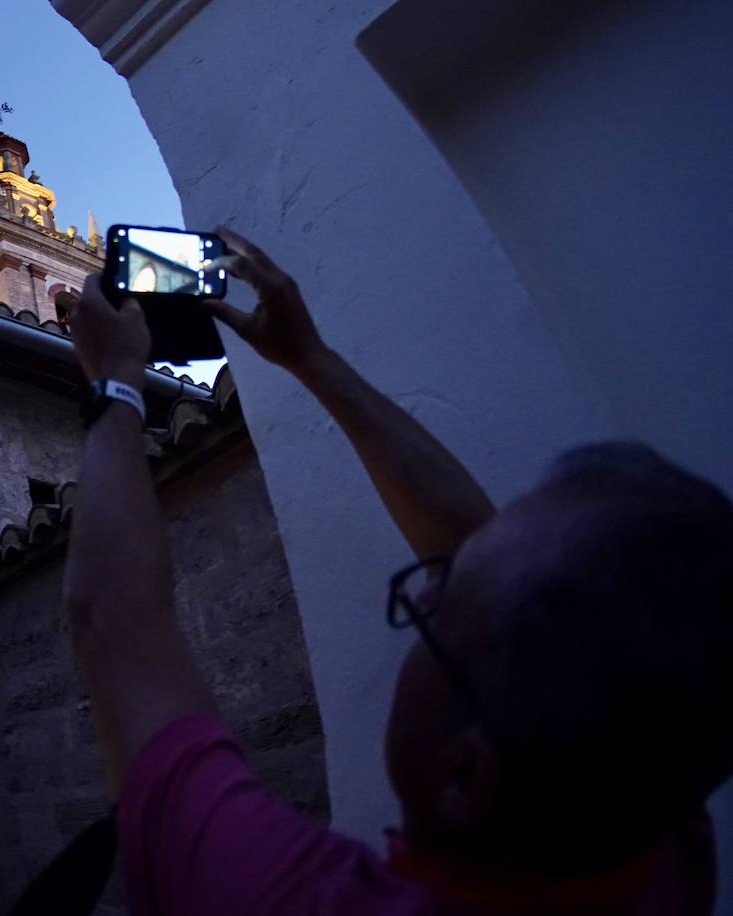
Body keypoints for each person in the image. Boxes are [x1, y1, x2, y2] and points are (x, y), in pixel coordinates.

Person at [56, 227, 733, 915]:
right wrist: (309, 357)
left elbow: (113, 619)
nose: (445, 562)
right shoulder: (654, 819)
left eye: (432, 605)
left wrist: (114, 385)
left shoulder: (294, 899)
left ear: (465, 777)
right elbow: (472, 540)